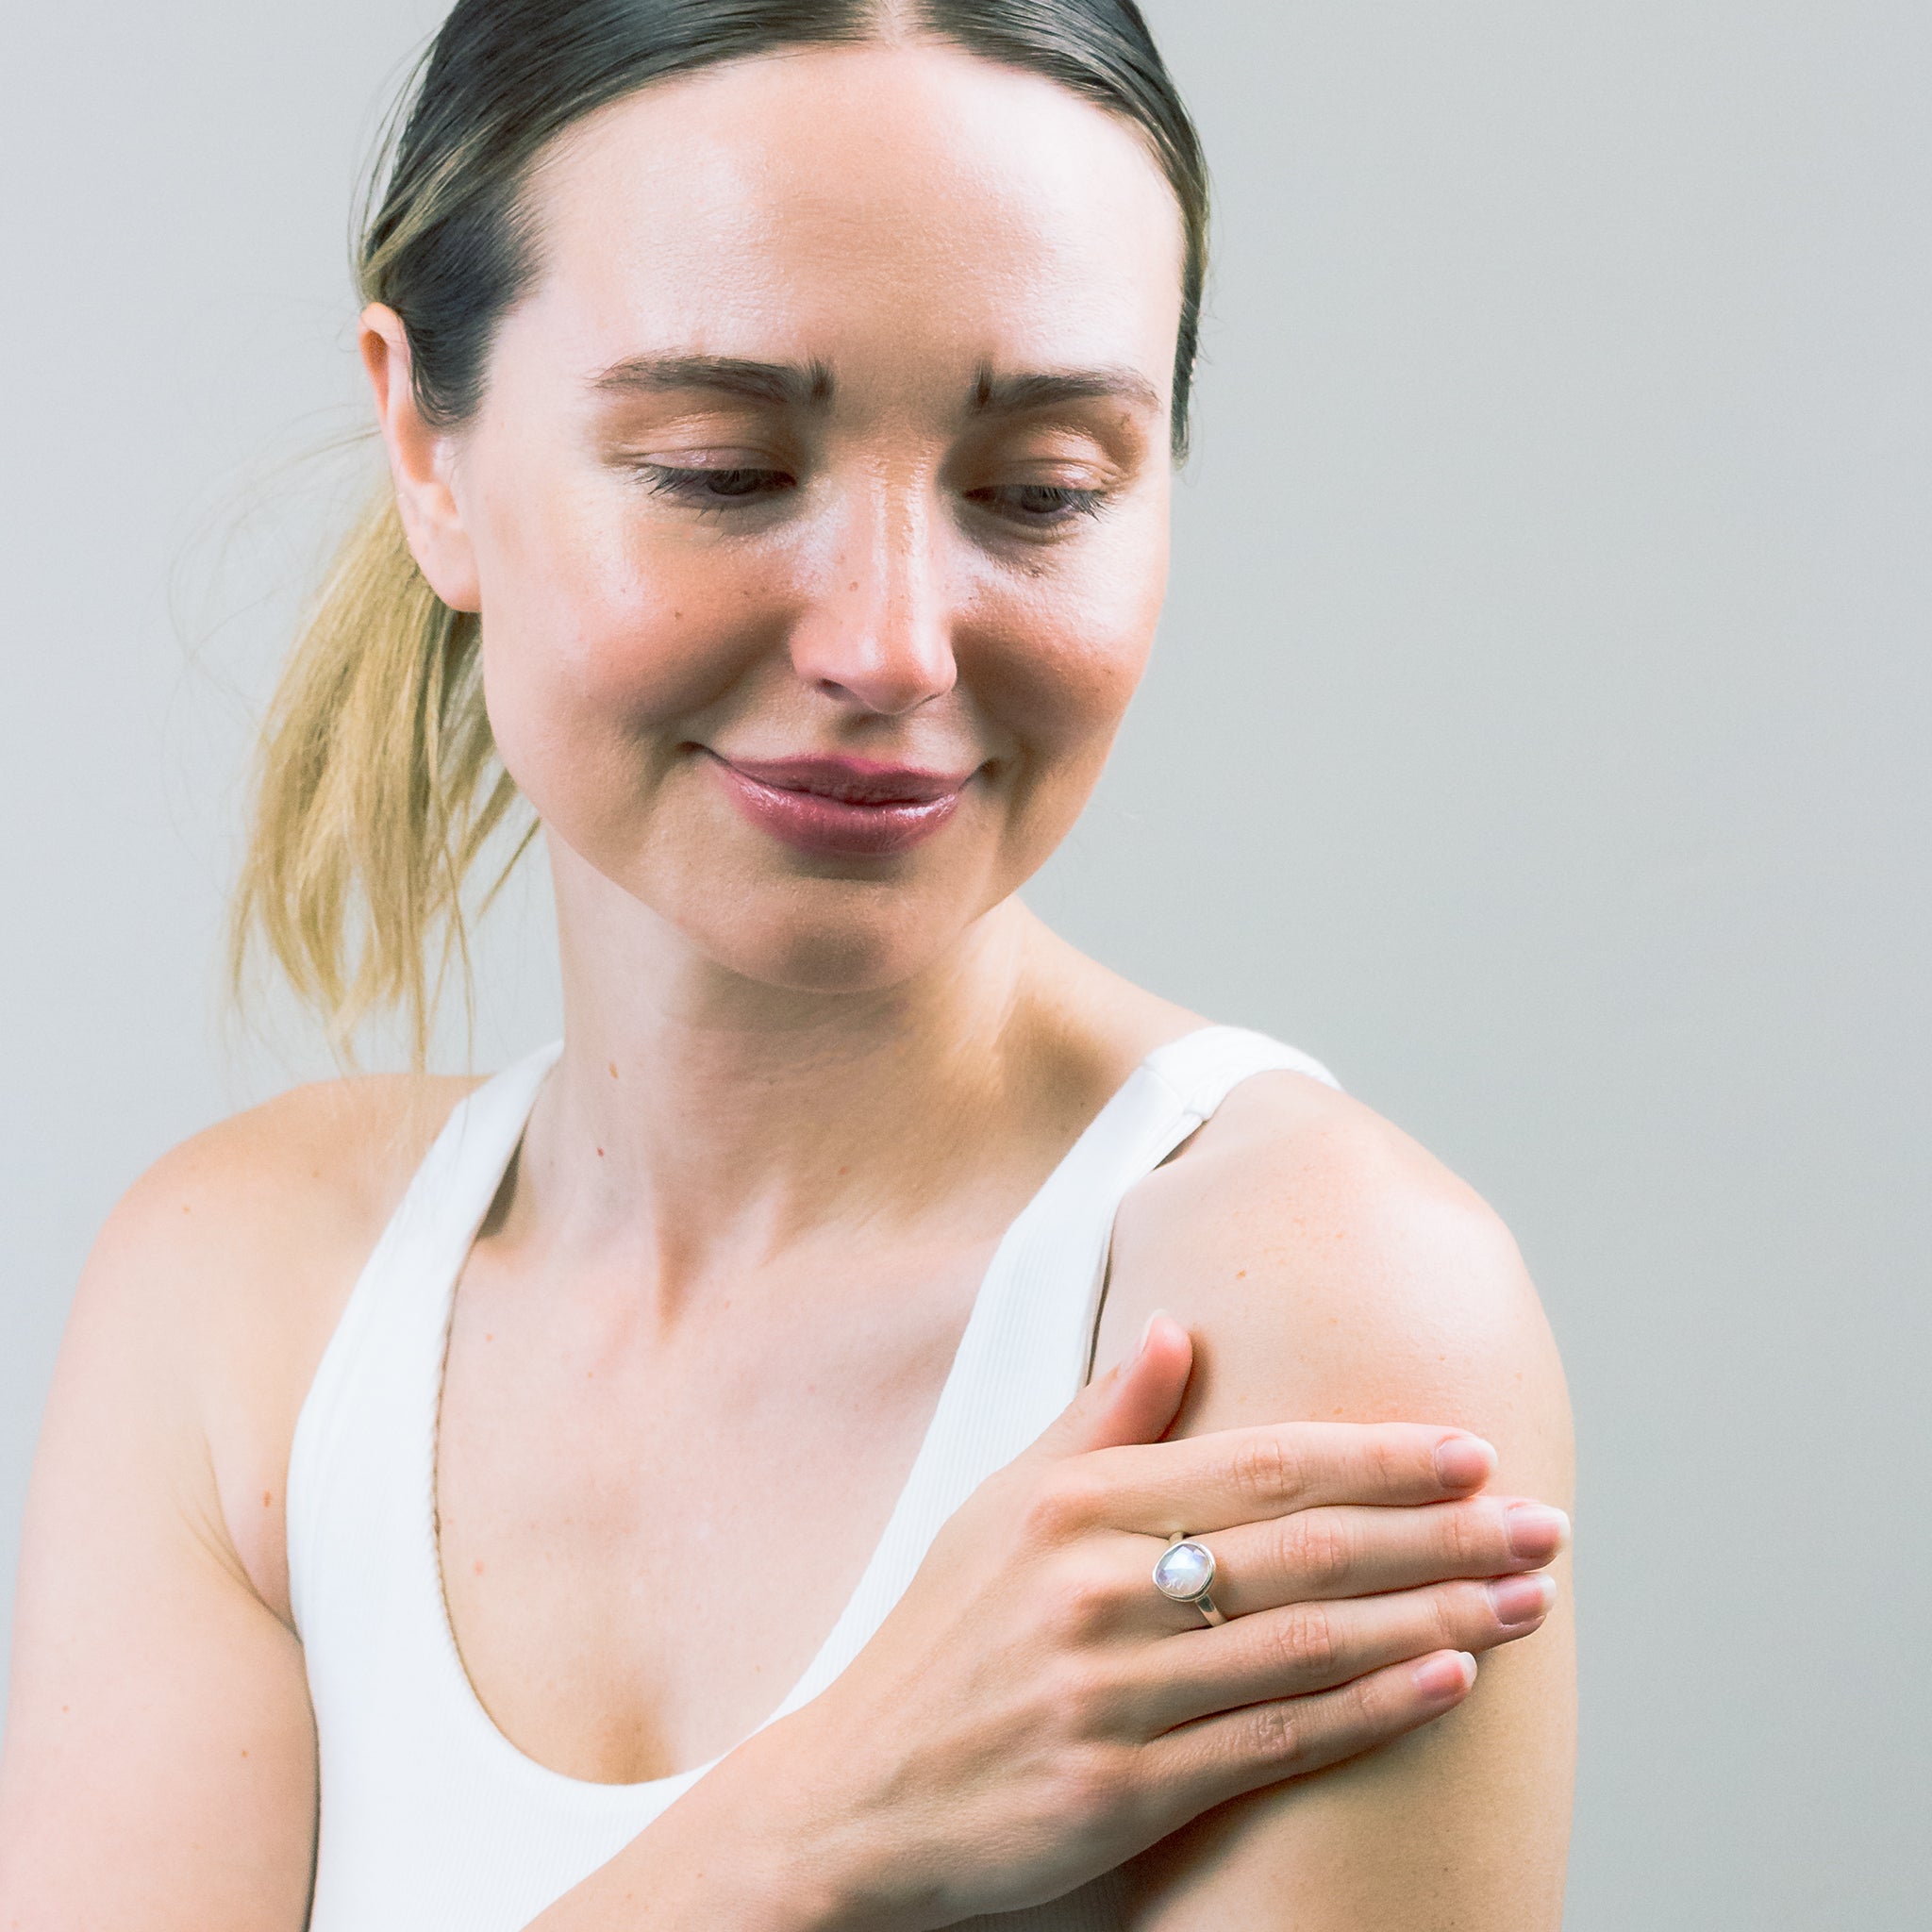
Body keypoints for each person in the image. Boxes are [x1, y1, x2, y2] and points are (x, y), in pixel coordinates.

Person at [0, 3, 1574, 1925]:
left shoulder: (1301, 1309)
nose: (895, 645)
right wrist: (813, 1828)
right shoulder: (242, 1303)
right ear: (430, 447)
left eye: (1043, 489)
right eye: (724, 465)